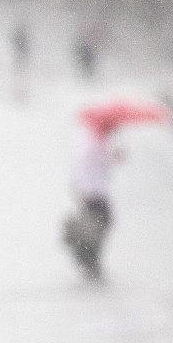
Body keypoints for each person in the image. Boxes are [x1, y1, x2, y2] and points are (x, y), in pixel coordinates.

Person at [62, 117, 121, 279]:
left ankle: (89, 257)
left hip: (93, 190)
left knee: (97, 224)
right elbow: (94, 163)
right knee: (100, 224)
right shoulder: (95, 143)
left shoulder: (95, 141)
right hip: (93, 191)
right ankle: (88, 257)